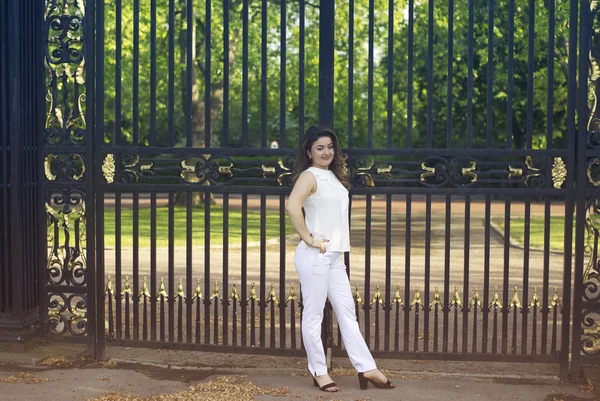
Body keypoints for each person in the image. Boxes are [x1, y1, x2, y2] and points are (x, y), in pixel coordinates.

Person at [285, 126, 395, 393]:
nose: (326, 152)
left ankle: (366, 367)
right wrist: (310, 239)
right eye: (320, 147)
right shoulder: (309, 176)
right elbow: (291, 206)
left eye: (330, 147)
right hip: (315, 255)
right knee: (313, 315)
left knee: (347, 313)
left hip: (335, 257)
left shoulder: (333, 176)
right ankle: (319, 371)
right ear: (309, 151)